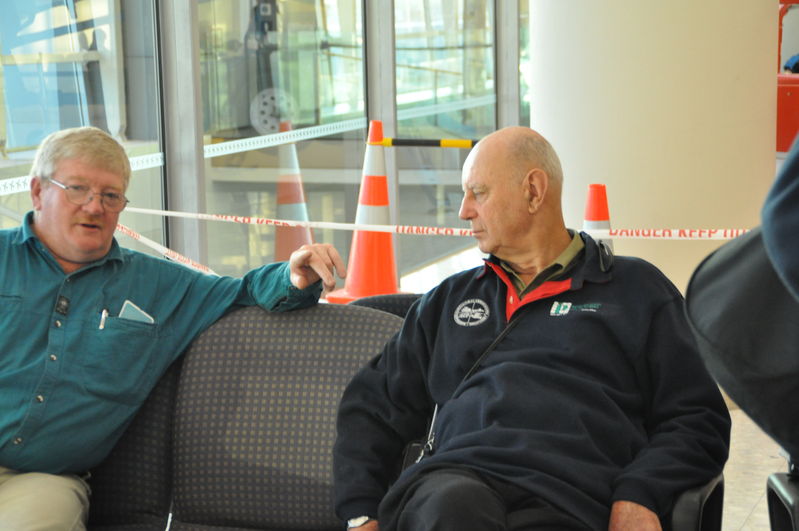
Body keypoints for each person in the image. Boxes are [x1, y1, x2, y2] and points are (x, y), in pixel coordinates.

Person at [333, 126, 730, 531]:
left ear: (534, 191)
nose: (464, 210)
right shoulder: (448, 300)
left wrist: (641, 492)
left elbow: (697, 417)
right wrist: (361, 511)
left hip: (574, 496)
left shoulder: (637, 292)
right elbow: (371, 406)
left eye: (478, 192)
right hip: (455, 487)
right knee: (454, 506)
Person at [0, 126, 346, 530]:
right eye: (77, 189)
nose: (95, 207)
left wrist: (294, 274)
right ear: (39, 191)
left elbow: (245, 291)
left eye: (110, 196)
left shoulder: (160, 286)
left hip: (42, 481)